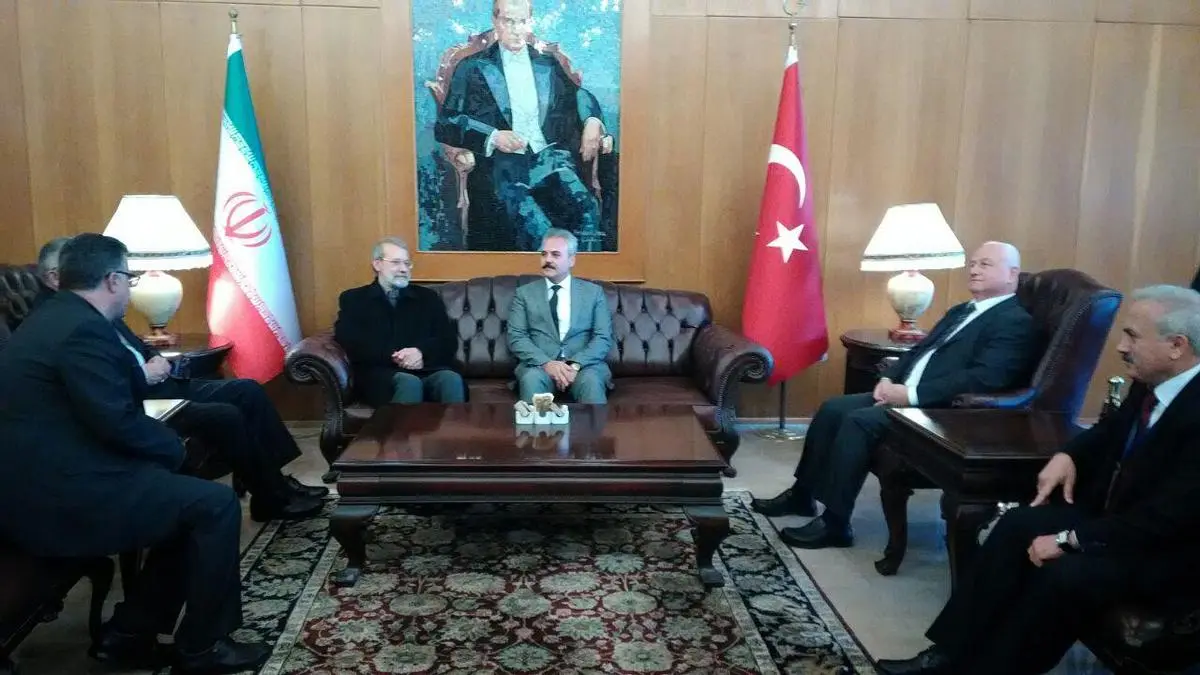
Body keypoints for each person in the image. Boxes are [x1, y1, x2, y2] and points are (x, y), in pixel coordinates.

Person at [877, 284, 1200, 675]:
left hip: (1166, 551)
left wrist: (1069, 540)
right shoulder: (1152, 380)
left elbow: (1167, 520)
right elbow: (1110, 429)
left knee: (1065, 575)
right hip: (1120, 520)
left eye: (1133, 336)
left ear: (1176, 346)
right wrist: (1069, 454)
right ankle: (948, 654)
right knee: (1018, 525)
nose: (1121, 347)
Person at [0, 234, 269, 673]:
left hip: (55, 474)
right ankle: (203, 647)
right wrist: (173, 448)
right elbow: (116, 420)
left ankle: (129, 634)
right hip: (56, 498)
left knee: (189, 502)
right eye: (130, 278)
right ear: (112, 280)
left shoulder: (55, 317)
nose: (130, 289)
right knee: (215, 504)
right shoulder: (81, 331)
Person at [753, 241, 1038, 549]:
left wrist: (911, 395)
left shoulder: (1015, 320)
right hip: (908, 395)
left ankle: (835, 524)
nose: (974, 270)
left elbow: (985, 379)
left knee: (858, 421)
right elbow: (918, 350)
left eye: (985, 264)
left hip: (944, 411)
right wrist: (888, 378)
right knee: (832, 409)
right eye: (973, 263)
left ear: (1012, 274)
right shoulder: (962, 311)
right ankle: (802, 495)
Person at [33, 237, 326, 521]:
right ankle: (271, 493)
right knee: (227, 415)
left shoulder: (91, 311)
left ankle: (275, 482)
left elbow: (135, 345)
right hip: (145, 397)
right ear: (53, 276)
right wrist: (142, 374)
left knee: (246, 390)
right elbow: (100, 387)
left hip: (158, 383)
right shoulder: (67, 321)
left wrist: (154, 358)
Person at [434, 0, 607, 251]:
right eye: (509, 21)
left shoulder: (547, 64)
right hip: (501, 167)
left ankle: (590, 273)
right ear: (495, 22)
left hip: (549, 160)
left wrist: (592, 120)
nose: (517, 30)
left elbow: (579, 94)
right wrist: (493, 136)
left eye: (522, 21)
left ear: (530, 22)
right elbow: (446, 123)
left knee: (587, 209)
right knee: (536, 227)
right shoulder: (471, 67)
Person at [334, 237, 465, 406]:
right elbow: (349, 341)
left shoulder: (427, 298)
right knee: (409, 382)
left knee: (450, 379)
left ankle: (456, 424)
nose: (403, 269)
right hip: (381, 373)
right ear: (377, 264)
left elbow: (447, 340)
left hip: (426, 368)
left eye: (407, 263)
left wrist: (420, 352)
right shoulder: (355, 299)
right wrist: (397, 357)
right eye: (396, 262)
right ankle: (399, 425)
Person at [507, 228, 613, 403]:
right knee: (531, 379)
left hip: (584, 367)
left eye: (555, 255)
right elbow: (516, 337)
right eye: (544, 254)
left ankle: (595, 423)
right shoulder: (524, 294)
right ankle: (535, 423)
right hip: (539, 366)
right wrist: (547, 363)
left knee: (591, 382)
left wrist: (574, 365)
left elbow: (603, 338)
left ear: (571, 260)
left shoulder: (593, 293)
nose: (547, 260)